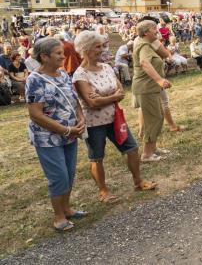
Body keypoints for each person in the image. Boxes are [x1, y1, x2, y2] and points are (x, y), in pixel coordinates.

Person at [73, 31, 157, 204]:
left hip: (115, 118)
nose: (102, 50)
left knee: (132, 149)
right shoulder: (80, 75)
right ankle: (103, 191)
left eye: (102, 46)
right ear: (86, 49)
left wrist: (104, 97)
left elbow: (120, 91)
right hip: (94, 123)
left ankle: (138, 182)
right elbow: (91, 102)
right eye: (98, 46)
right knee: (97, 157)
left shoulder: (106, 67)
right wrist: (112, 97)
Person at [25, 37, 87, 232]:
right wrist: (65, 129)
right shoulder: (34, 80)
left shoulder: (62, 74)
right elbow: (35, 114)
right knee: (58, 176)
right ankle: (58, 216)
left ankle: (67, 209)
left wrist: (80, 117)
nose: (63, 56)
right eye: (58, 53)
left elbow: (73, 99)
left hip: (71, 133)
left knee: (69, 173)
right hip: (48, 138)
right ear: (44, 56)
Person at [132, 20, 172, 162]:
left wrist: (156, 40)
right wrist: (159, 80)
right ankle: (147, 154)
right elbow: (144, 63)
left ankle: (153, 148)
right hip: (146, 88)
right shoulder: (143, 45)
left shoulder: (148, 44)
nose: (158, 30)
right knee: (153, 118)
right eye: (154, 28)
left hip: (150, 88)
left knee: (158, 116)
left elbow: (166, 54)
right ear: (146, 32)